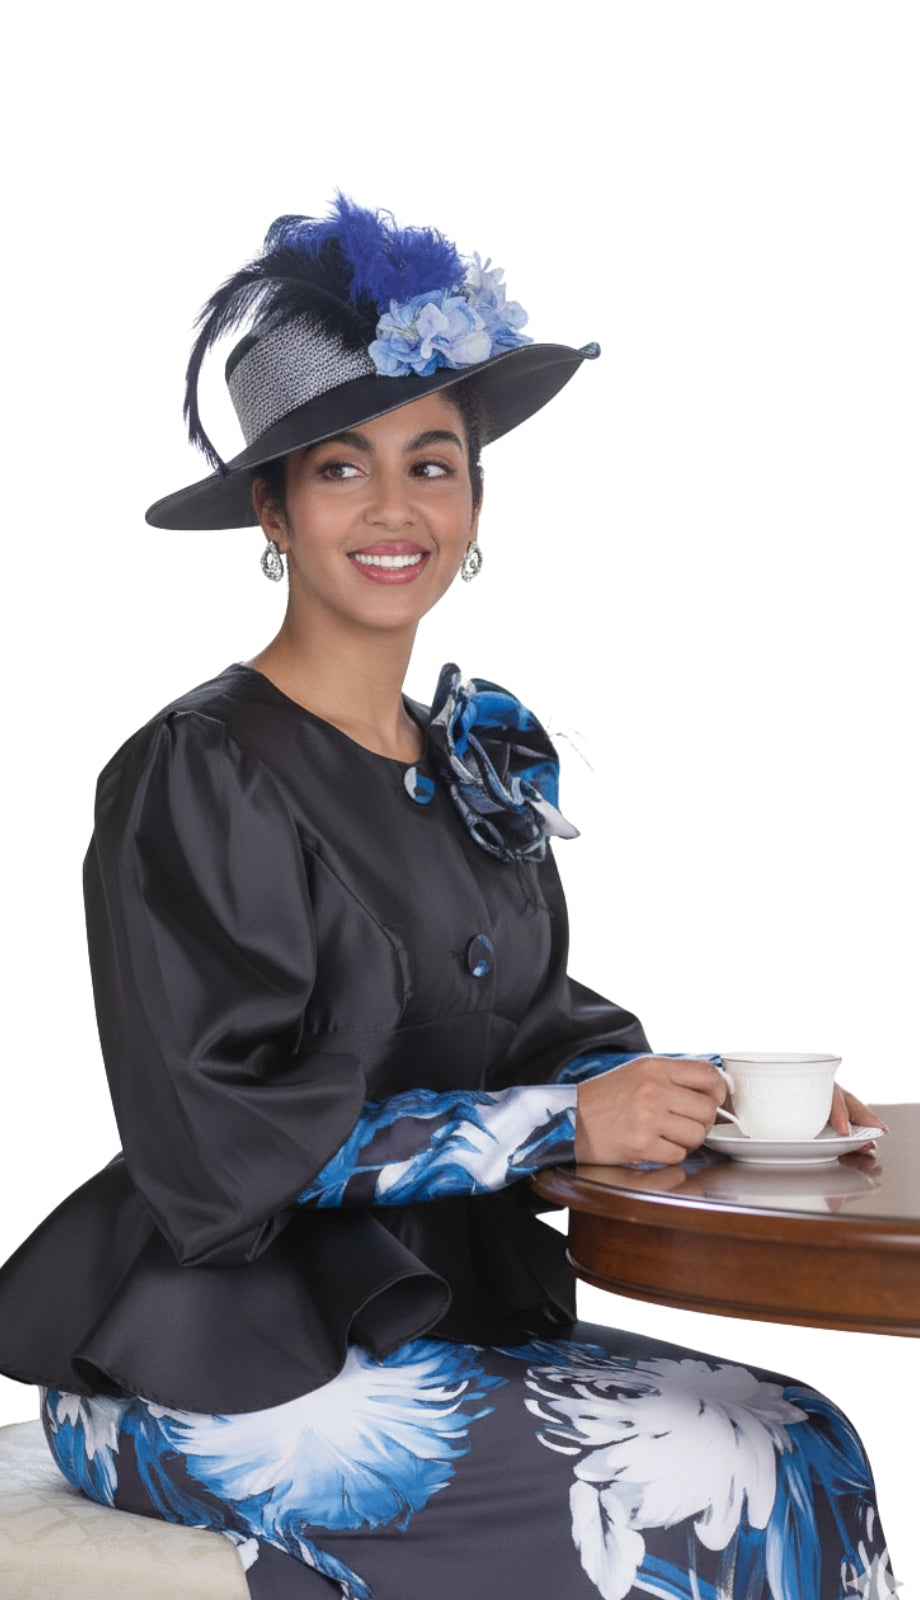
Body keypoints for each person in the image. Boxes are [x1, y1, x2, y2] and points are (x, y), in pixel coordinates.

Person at [0, 197, 894, 1600]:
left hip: (419, 1322)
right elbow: (215, 1141)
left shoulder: (466, 762)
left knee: (808, 1440)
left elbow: (534, 1036)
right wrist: (557, 1121)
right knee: (712, 1485)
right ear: (271, 509)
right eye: (340, 469)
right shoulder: (200, 770)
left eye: (433, 464)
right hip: (209, 1363)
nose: (394, 508)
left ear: (475, 504)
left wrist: (712, 1093)